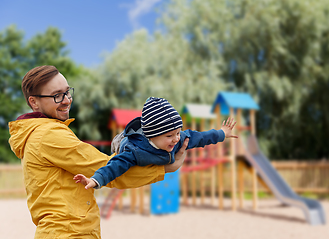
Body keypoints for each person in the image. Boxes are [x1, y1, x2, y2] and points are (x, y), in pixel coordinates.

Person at [8, 65, 189, 239]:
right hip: (69, 233)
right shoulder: (48, 135)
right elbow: (108, 169)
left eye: (67, 92)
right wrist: (164, 168)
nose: (66, 100)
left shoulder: (37, 133)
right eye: (57, 95)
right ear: (34, 102)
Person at [74, 97, 238, 190]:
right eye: (169, 135)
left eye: (177, 132)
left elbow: (201, 137)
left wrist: (222, 133)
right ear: (152, 136)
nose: (175, 139)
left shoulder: (179, 139)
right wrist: (96, 180)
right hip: (124, 143)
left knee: (188, 136)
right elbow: (115, 165)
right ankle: (124, 135)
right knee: (120, 149)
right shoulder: (134, 151)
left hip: (152, 146)